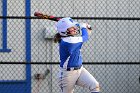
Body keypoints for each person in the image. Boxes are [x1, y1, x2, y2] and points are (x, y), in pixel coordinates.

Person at [54, 17, 100, 93]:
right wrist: (83, 27)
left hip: (80, 70)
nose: (74, 29)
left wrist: (83, 27)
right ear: (64, 31)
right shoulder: (69, 41)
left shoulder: (69, 38)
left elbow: (82, 35)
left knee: (94, 85)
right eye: (71, 28)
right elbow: (85, 37)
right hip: (67, 74)